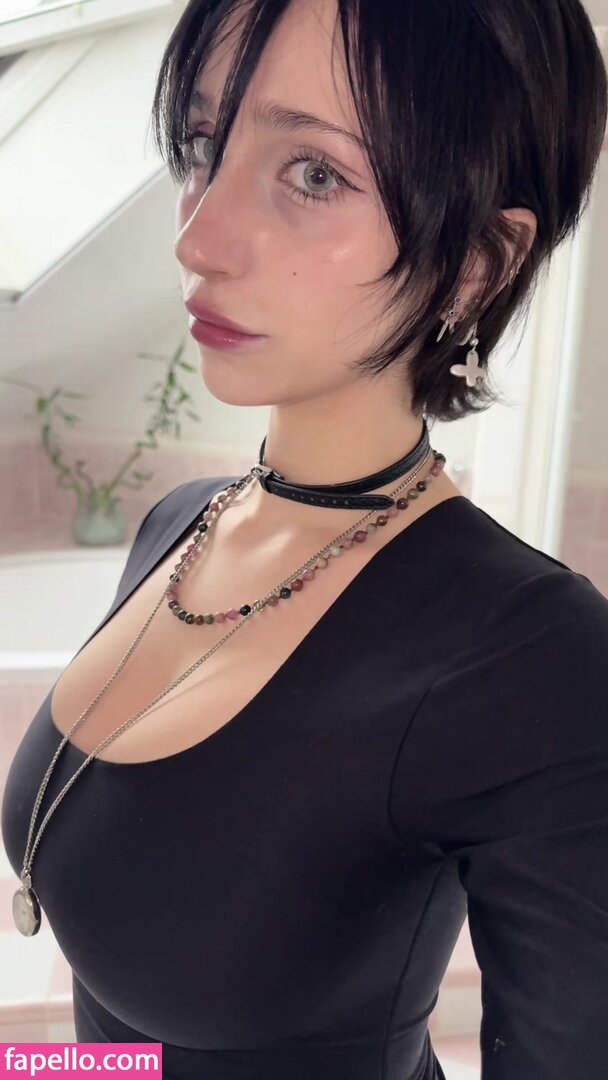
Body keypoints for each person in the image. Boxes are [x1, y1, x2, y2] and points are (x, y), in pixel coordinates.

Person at [2, 0, 608, 1077]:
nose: (196, 238)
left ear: (477, 261)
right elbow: (131, 1047)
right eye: (202, 144)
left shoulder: (526, 652)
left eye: (314, 174)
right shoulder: (180, 523)